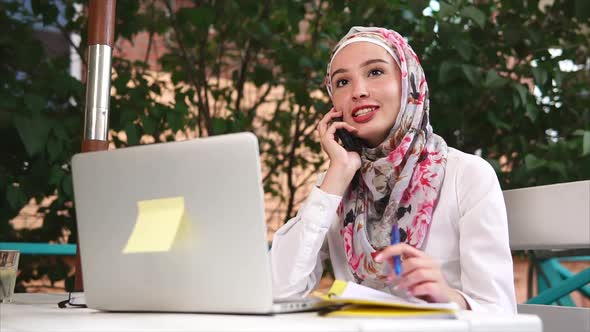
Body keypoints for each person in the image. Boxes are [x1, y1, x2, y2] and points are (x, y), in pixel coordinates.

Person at [270, 26, 517, 313]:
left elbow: (501, 313)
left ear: (408, 81)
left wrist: (449, 297)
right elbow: (279, 291)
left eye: (375, 72)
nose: (358, 91)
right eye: (342, 82)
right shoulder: (336, 184)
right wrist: (337, 174)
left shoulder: (466, 175)